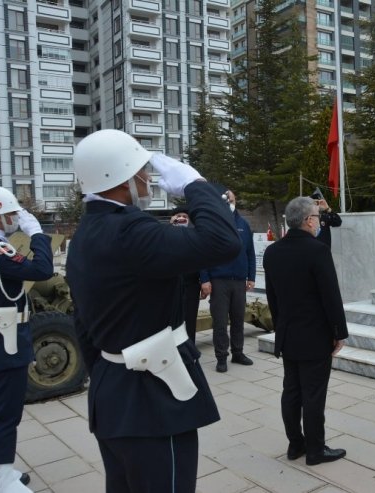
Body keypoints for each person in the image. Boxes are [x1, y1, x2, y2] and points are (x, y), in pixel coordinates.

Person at [66, 129, 241, 493]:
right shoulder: (131, 230)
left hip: (113, 394)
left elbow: (82, 321)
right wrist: (195, 185)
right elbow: (223, 242)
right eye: (141, 170)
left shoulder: (86, 233)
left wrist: (110, 372)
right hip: (153, 400)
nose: (147, 177)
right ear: (122, 178)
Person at [0, 186, 53, 493]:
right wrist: (37, 234)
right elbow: (42, 269)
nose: (18, 218)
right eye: (13, 213)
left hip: (0, 339)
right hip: (3, 342)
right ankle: (1, 480)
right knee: (5, 413)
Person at [263, 196, 349, 466]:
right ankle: (315, 449)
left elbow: (273, 298)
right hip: (314, 335)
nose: (319, 221)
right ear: (309, 220)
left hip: (289, 334)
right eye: (317, 217)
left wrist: (281, 328)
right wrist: (339, 331)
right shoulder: (317, 250)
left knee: (292, 391)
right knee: (312, 394)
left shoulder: (273, 251)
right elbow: (330, 296)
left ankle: (295, 444)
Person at [200, 190, 256, 373]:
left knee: (239, 319)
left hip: (239, 281)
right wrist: (205, 279)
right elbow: (204, 254)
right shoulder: (212, 224)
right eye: (225, 199)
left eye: (230, 199)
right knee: (220, 321)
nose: (228, 202)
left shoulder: (243, 225)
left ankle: (238, 353)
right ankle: (221, 357)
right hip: (219, 281)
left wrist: (251, 277)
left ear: (235, 201)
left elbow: (250, 253)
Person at [169, 206, 202, 341]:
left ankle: (191, 349)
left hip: (191, 284)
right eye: (178, 216)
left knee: (190, 318)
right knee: (172, 319)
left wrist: (204, 280)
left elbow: (202, 258)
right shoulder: (167, 233)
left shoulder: (195, 234)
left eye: (185, 216)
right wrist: (171, 226)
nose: (182, 218)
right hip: (172, 284)